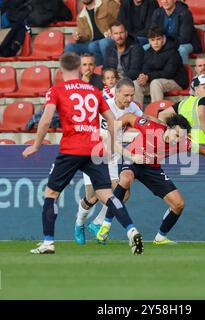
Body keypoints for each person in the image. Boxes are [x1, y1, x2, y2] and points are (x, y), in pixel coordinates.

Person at [23, 53, 144, 255]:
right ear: (80, 68)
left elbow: (45, 120)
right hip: (94, 148)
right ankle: (131, 230)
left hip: (71, 148)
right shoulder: (94, 91)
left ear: (61, 70)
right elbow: (113, 120)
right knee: (107, 194)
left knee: (51, 193)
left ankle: (48, 242)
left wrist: (36, 145)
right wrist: (113, 143)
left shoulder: (57, 90)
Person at [95, 113, 205, 245]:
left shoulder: (183, 142)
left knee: (179, 204)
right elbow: (128, 117)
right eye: (177, 135)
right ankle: (106, 225)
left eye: (182, 137)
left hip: (152, 169)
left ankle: (160, 237)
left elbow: (204, 151)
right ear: (168, 128)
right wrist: (113, 131)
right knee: (125, 179)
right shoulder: (150, 127)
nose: (178, 139)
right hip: (133, 160)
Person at [74, 78, 144, 245]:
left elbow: (144, 124)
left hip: (113, 156)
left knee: (123, 193)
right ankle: (79, 224)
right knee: (92, 197)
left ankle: (97, 223)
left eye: (132, 95)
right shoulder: (104, 107)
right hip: (95, 154)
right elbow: (106, 138)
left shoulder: (132, 108)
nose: (129, 99)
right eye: (126, 95)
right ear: (116, 93)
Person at [134, 26, 188, 106]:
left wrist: (148, 76)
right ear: (149, 41)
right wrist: (143, 76)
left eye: (158, 39)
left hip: (175, 82)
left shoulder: (173, 51)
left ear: (163, 38)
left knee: (156, 83)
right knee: (136, 83)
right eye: (152, 40)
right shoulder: (149, 52)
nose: (155, 42)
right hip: (155, 81)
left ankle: (155, 114)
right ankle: (137, 114)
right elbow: (145, 68)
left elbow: (169, 73)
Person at [158, 74, 205, 144]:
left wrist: (167, 132)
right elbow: (201, 114)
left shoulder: (182, 103)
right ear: (196, 88)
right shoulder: (204, 99)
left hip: (185, 146)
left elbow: (162, 115)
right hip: (203, 144)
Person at [63, 0, 119, 66]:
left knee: (99, 44)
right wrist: (78, 37)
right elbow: (84, 37)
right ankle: (74, 74)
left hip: (109, 38)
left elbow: (121, 18)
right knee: (69, 48)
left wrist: (113, 30)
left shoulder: (107, 3)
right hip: (91, 43)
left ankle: (107, 69)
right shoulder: (80, 16)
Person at [150, 0, 202, 64]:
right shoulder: (157, 13)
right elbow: (153, 33)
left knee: (182, 50)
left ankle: (183, 72)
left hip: (186, 43)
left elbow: (184, 38)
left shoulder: (185, 13)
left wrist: (165, 44)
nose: (165, 1)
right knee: (145, 47)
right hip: (163, 42)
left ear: (174, 0)